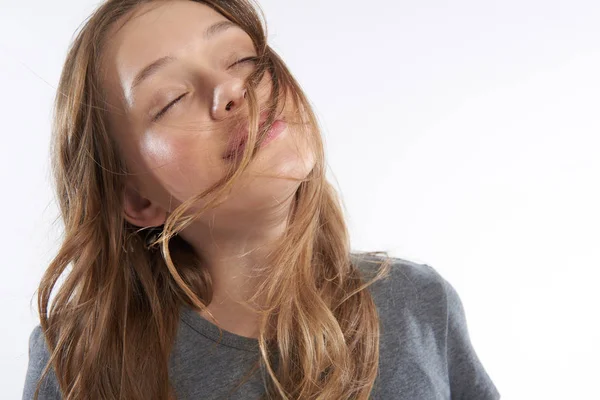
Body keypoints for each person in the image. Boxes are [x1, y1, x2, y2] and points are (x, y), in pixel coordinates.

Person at [22, 1, 501, 399]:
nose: (232, 88)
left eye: (241, 59)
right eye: (170, 99)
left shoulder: (419, 302)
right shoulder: (75, 358)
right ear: (137, 199)